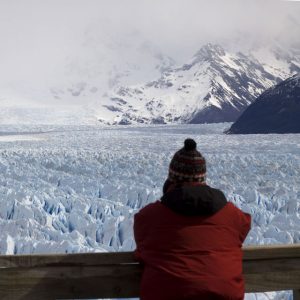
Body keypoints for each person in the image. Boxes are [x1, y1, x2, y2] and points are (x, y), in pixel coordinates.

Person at [133, 138, 251, 300]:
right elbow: (243, 226)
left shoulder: (149, 217)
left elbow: (143, 246)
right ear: (203, 179)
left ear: (171, 180)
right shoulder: (232, 215)